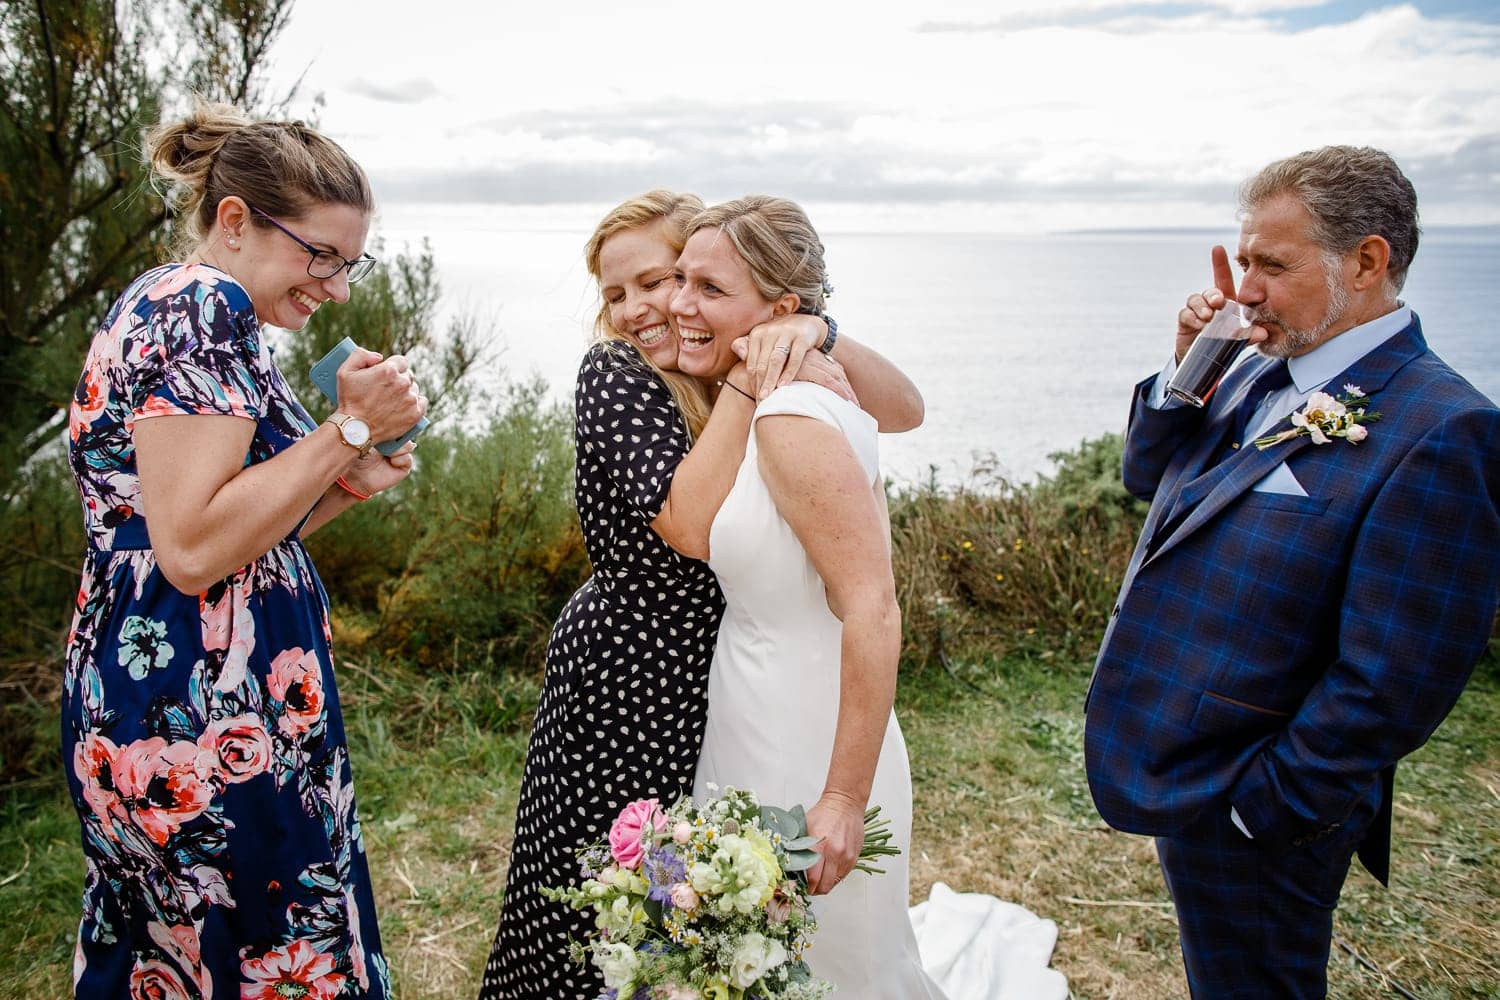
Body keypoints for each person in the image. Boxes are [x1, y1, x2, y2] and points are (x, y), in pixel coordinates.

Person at [479, 191, 924, 999]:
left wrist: (816, 331)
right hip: (631, 677)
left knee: (699, 903)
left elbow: (907, 410)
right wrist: (753, 371)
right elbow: (687, 524)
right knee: (605, 897)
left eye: (663, 279)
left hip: (720, 671)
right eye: (617, 295)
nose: (646, 309)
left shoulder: (724, 367)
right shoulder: (621, 373)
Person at [1085, 146, 1500, 998]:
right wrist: (1195, 361)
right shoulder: (1254, 367)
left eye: (1272, 264)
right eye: (1243, 262)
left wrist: (1262, 807)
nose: (1245, 290)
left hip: (1262, 801)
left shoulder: (1444, 428)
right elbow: (1143, 476)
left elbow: (1395, 677)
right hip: (1188, 762)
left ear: (1368, 261)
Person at [62, 100, 424, 998]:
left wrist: (345, 478)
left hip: (157, 674)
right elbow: (189, 551)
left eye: (350, 263)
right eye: (321, 256)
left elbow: (225, 537)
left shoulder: (161, 298)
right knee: (258, 940)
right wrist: (345, 427)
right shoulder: (205, 306)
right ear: (235, 221)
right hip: (208, 706)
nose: (336, 287)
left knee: (180, 948)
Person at [683, 197, 1067, 998]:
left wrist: (842, 799)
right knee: (766, 954)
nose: (680, 304)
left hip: (805, 736)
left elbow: (873, 606)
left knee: (823, 963)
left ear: (780, 310)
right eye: (681, 278)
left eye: (710, 289)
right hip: (753, 707)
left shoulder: (791, 414)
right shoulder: (784, 394)